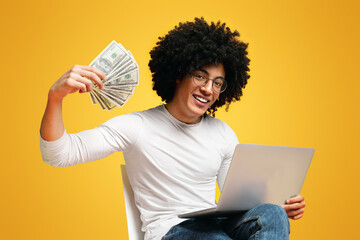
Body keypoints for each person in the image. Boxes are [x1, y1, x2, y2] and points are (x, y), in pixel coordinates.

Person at [40, 17, 306, 240]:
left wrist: (279, 203)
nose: (208, 89)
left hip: (217, 225)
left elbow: (237, 201)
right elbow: (59, 154)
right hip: (171, 231)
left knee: (272, 215)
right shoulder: (136, 126)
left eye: (217, 82)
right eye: (200, 76)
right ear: (178, 73)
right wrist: (55, 97)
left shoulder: (223, 133)